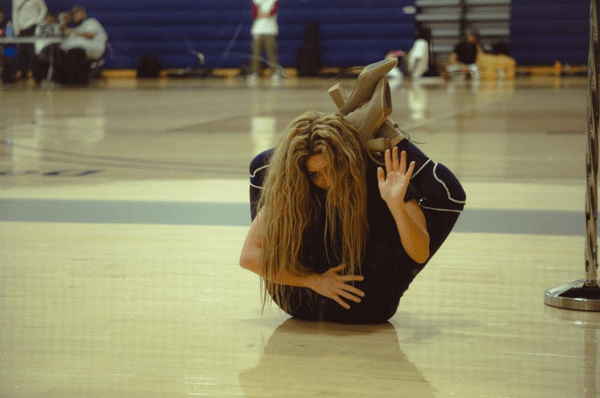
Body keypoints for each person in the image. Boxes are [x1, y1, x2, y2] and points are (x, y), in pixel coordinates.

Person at [240, 58, 466, 324]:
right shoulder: (294, 188)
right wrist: (312, 281)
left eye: (331, 168)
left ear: (343, 160)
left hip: (367, 303)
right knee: (265, 168)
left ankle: (347, 128)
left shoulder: (374, 180)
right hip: (306, 299)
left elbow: (418, 252)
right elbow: (248, 257)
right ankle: (364, 129)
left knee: (264, 166)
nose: (326, 180)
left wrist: (396, 205)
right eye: (315, 174)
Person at [58, 5, 107, 85]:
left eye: (77, 14)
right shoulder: (78, 28)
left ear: (84, 14)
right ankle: (66, 80)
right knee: (64, 52)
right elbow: (64, 32)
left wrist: (74, 32)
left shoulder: (91, 22)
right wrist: (64, 23)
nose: (75, 16)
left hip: (94, 49)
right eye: (73, 15)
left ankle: (78, 80)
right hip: (80, 50)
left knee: (76, 52)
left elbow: (90, 34)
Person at [248, 0, 280, 86]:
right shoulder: (255, 1)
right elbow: (254, 14)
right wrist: (263, 14)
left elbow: (273, 12)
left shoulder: (273, 1)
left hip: (270, 30)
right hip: (257, 30)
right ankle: (255, 73)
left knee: (271, 53)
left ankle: (274, 73)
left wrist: (264, 14)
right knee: (256, 53)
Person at [13, 0, 47, 80]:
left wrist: (37, 21)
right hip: (20, 28)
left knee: (31, 50)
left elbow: (44, 10)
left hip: (32, 26)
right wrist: (16, 28)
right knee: (21, 50)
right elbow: (15, 13)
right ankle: (22, 72)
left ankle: (32, 72)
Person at [32, 12, 61, 84]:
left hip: (54, 48)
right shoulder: (40, 26)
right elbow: (36, 38)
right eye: (48, 17)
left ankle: (54, 77)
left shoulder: (57, 26)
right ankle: (41, 78)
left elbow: (59, 37)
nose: (50, 18)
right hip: (42, 48)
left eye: (52, 17)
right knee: (45, 57)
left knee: (54, 50)